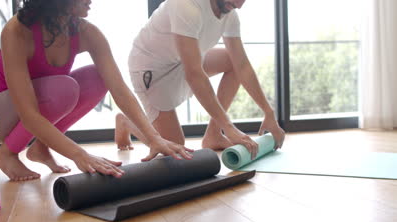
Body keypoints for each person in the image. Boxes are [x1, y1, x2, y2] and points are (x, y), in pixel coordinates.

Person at [0, 0, 193, 181]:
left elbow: (119, 89)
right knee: (63, 89)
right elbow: (28, 114)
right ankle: (7, 154)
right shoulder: (17, 31)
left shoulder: (87, 32)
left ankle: (41, 147)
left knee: (97, 77)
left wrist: (154, 138)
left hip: (37, 106)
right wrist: (80, 154)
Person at [115, 0, 285, 158]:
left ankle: (214, 135)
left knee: (232, 62)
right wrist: (229, 127)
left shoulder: (229, 13)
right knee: (175, 149)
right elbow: (194, 75)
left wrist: (268, 113)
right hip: (152, 71)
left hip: (184, 61)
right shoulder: (186, 5)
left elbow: (242, 66)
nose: (239, 5)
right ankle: (128, 122)